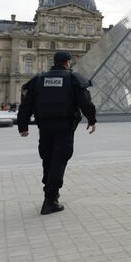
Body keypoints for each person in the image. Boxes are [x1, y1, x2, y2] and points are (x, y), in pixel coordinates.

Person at [17, 51, 97, 215]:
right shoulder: (73, 79)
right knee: (59, 160)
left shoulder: (39, 80)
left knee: (47, 158)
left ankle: (50, 190)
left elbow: (26, 105)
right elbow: (85, 102)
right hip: (65, 126)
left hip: (44, 126)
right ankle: (50, 200)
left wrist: (23, 125)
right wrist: (92, 119)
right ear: (68, 62)